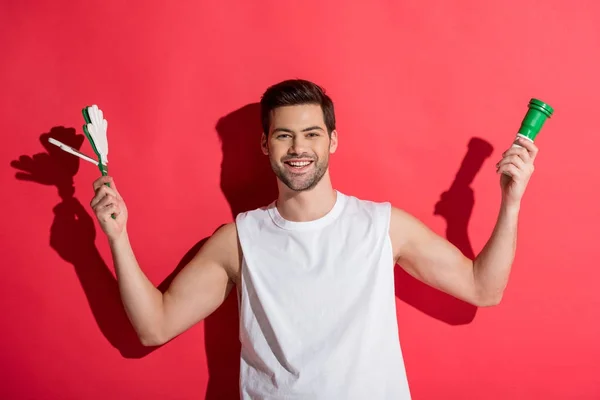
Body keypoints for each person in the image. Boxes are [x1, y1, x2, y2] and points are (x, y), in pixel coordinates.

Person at [90, 79, 538, 399]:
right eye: (284, 135)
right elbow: (155, 326)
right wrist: (117, 236)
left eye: (311, 134)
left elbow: (484, 288)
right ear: (266, 145)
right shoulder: (240, 239)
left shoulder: (381, 226)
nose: (298, 148)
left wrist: (510, 202)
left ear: (333, 141)